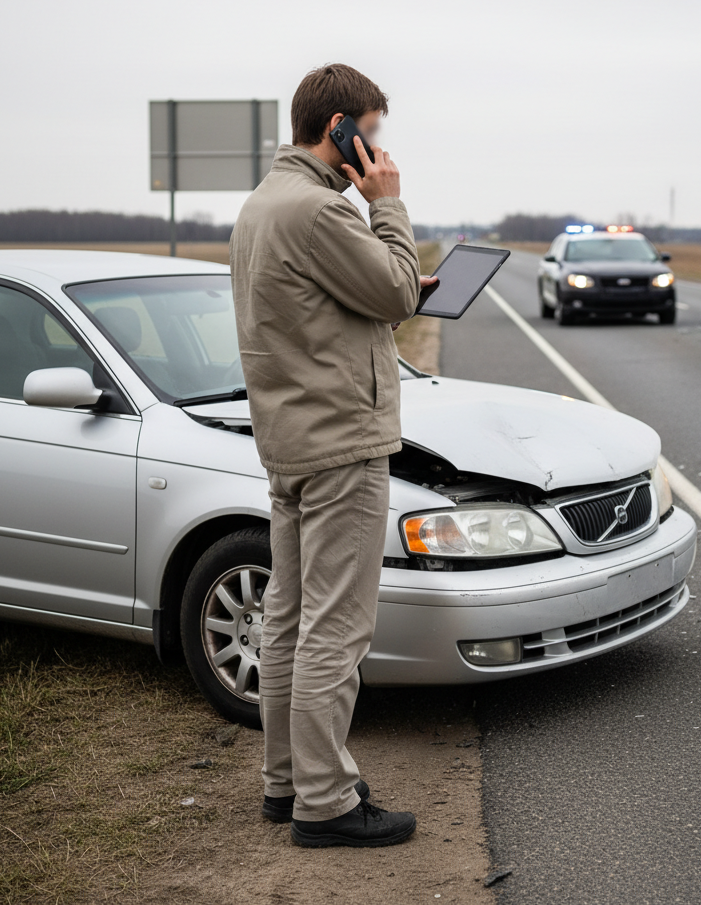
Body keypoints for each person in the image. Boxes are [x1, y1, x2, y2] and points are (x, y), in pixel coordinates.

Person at [229, 64, 436, 849]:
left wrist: (387, 266)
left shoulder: (262, 205)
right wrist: (386, 205)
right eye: (372, 133)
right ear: (340, 129)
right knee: (336, 628)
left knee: (285, 619)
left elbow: (337, 302)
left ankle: (285, 783)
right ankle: (325, 801)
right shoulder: (321, 210)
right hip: (341, 441)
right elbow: (395, 296)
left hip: (289, 440)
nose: (377, 151)